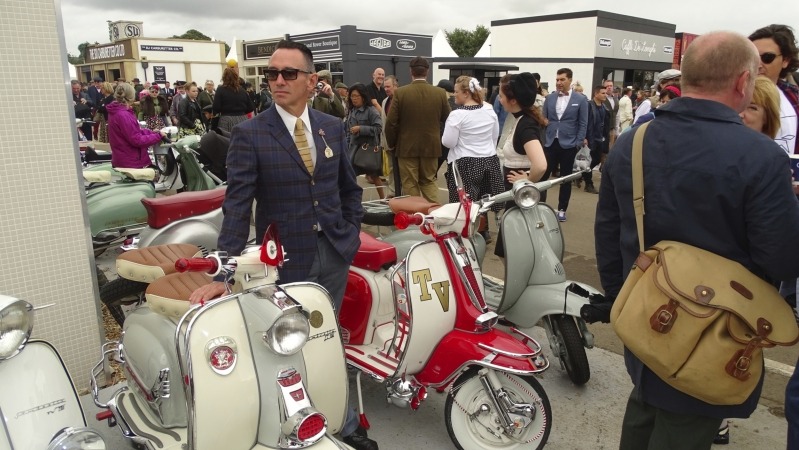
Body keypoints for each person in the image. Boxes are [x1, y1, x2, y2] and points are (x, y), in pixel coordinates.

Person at [594, 31, 799, 450]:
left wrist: (623, 303)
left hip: (645, 316)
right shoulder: (762, 157)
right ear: (743, 82)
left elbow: (608, 234)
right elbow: (782, 260)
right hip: (714, 336)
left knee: (644, 409)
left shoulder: (634, 142)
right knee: (682, 427)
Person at [187, 39, 376, 450]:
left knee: (330, 339)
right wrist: (226, 268)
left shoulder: (329, 126)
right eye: (272, 74)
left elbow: (349, 188)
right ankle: (303, 428)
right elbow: (237, 207)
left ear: (312, 81)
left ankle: (343, 423)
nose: (277, 81)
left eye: (288, 73)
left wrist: (349, 228)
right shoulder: (250, 135)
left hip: (335, 251)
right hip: (286, 260)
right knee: (291, 346)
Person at [493, 72, 548, 258]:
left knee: (515, 254)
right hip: (518, 198)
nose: (499, 100)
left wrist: (526, 180)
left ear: (513, 100)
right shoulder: (522, 120)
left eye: (501, 96)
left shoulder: (526, 125)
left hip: (522, 201)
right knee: (513, 253)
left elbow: (540, 165)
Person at [441, 76, 502, 241]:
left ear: (466, 93)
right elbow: (495, 135)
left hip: (465, 162)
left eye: (456, 92)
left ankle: (464, 235)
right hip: (489, 160)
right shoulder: (489, 109)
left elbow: (448, 142)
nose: (455, 96)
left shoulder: (457, 115)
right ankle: (483, 231)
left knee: (463, 204)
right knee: (484, 201)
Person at [385, 56, 451, 203]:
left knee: (409, 183)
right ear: (427, 72)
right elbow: (449, 119)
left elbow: (391, 123)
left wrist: (392, 143)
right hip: (431, 146)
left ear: (411, 72)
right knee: (429, 181)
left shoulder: (401, 93)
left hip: (406, 147)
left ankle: (415, 218)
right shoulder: (439, 93)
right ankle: (434, 214)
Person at [540, 67, 589, 222]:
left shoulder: (580, 99)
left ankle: (562, 209)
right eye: (557, 80)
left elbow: (583, 123)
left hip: (569, 144)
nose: (559, 82)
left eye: (562, 79)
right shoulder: (550, 98)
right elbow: (543, 119)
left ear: (570, 80)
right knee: (543, 177)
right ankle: (540, 207)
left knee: (565, 178)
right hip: (550, 142)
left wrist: (578, 142)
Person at [749, 24, 799, 154]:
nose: (758, 64)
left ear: (785, 60)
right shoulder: (732, 95)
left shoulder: (794, 96)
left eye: (767, 58)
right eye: (753, 57)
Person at [106, 82, 167, 169]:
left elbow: (133, 131)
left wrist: (151, 132)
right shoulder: (124, 115)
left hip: (123, 157)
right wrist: (158, 136)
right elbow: (136, 139)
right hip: (130, 160)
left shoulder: (117, 111)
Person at [346, 83, 385, 198]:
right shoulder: (351, 110)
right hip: (353, 149)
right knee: (351, 176)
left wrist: (361, 129)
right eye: (352, 96)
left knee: (374, 176)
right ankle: (354, 200)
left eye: (356, 96)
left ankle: (383, 199)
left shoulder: (371, 111)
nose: (354, 99)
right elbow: (348, 131)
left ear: (363, 96)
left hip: (368, 149)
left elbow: (379, 128)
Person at [579, 85, 610, 193]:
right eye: (603, 93)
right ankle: (588, 184)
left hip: (599, 138)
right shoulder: (588, 106)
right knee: (588, 160)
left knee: (596, 159)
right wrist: (583, 137)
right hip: (589, 138)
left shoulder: (604, 108)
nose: (605, 95)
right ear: (596, 94)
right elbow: (583, 122)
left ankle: (581, 174)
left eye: (605, 93)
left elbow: (605, 125)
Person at [212, 67, 254, 132]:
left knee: (226, 140)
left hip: (226, 120)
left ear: (224, 78)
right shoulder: (242, 90)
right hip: (243, 119)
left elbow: (216, 108)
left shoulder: (220, 89)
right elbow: (250, 108)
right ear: (236, 77)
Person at [380, 76, 399, 196]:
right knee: (391, 169)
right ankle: (392, 192)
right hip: (388, 142)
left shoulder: (403, 99)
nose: (386, 89)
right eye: (384, 87)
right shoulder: (384, 101)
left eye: (388, 86)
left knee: (402, 171)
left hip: (401, 143)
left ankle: (401, 194)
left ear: (395, 86)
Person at [604, 80, 619, 146]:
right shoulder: (602, 98)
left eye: (611, 86)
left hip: (612, 129)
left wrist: (617, 129)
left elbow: (617, 115)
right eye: (607, 86)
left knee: (611, 149)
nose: (609, 87)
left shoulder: (615, 99)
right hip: (603, 129)